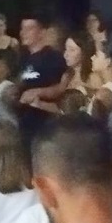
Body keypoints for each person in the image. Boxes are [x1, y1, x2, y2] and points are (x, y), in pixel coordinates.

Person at [14, 13, 67, 145]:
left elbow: (61, 87)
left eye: (29, 28)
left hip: (46, 126)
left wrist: (37, 92)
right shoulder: (23, 58)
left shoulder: (53, 57)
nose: (23, 33)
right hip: (24, 125)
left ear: (42, 32)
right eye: (22, 28)